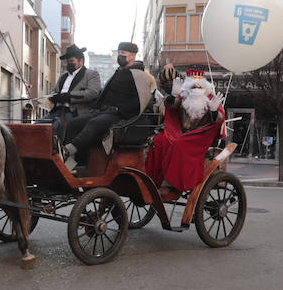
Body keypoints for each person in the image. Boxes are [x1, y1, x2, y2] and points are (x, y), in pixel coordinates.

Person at [61, 41, 147, 171]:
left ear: (133, 56)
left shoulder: (139, 75)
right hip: (103, 111)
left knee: (94, 124)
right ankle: (72, 164)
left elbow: (140, 101)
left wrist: (120, 109)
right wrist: (96, 108)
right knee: (74, 123)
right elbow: (104, 94)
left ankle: (69, 150)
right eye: (119, 53)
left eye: (123, 53)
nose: (120, 56)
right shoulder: (117, 73)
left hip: (120, 115)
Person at [146, 67, 225, 193]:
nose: (196, 90)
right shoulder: (183, 96)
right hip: (182, 132)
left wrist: (214, 111)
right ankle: (153, 180)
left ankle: (169, 183)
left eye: (199, 88)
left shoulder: (210, 98)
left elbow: (218, 120)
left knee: (180, 143)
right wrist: (172, 96)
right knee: (159, 141)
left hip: (201, 135)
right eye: (193, 87)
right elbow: (171, 106)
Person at [43, 45, 101, 129]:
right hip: (57, 111)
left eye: (71, 61)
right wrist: (54, 97)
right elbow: (53, 91)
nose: (68, 64)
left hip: (74, 113)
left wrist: (69, 96)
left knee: (53, 129)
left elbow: (93, 93)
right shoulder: (63, 76)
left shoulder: (91, 74)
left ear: (81, 61)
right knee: (36, 127)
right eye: (67, 61)